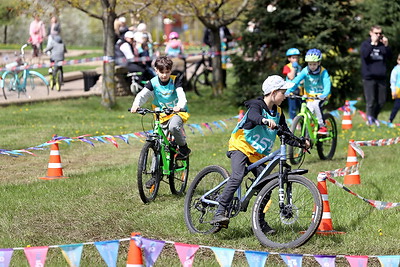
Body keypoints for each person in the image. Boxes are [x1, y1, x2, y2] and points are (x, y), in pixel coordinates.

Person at [210, 75, 310, 227]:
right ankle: (220, 211)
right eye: (283, 92)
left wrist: (300, 143)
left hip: (258, 155)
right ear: (273, 92)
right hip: (241, 147)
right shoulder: (257, 105)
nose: (285, 96)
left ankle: (260, 221)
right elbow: (253, 116)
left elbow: (285, 133)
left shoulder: (278, 112)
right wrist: (263, 120)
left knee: (266, 186)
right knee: (237, 176)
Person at [130, 56, 191, 166]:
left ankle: (183, 148)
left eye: (167, 72)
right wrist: (136, 105)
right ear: (156, 70)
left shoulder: (175, 80)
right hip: (161, 114)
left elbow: (181, 95)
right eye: (161, 72)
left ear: (170, 71)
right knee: (158, 144)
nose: (164, 75)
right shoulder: (153, 82)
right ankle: (155, 173)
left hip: (177, 112)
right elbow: (142, 95)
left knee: (173, 127)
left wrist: (179, 106)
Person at [286, 48, 331, 134]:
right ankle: (308, 136)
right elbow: (296, 81)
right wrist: (288, 91)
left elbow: (327, 84)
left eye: (314, 64)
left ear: (319, 63)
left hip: (321, 96)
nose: (312, 66)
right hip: (309, 96)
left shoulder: (323, 72)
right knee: (308, 114)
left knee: (316, 105)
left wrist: (324, 94)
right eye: (310, 64)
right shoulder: (305, 71)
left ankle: (322, 126)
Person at [360, 25, 392, 126]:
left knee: (382, 101)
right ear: (371, 33)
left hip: (381, 77)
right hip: (369, 77)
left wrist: (387, 46)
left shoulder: (382, 45)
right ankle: (370, 121)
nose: (378, 35)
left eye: (380, 33)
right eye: (376, 33)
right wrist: (372, 44)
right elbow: (365, 55)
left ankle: (374, 117)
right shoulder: (366, 44)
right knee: (371, 101)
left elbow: (390, 57)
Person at [282, 48, 303, 120]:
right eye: (293, 58)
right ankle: (293, 121)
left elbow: (301, 79)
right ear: (289, 58)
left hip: (300, 90)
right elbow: (291, 77)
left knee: (301, 107)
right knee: (292, 107)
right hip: (291, 90)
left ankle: (301, 121)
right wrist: (294, 68)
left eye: (297, 57)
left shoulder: (299, 67)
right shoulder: (287, 67)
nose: (296, 59)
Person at [389, 54, 400, 123]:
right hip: (398, 90)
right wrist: (393, 91)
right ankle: (390, 120)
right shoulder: (395, 70)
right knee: (396, 106)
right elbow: (392, 81)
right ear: (398, 61)